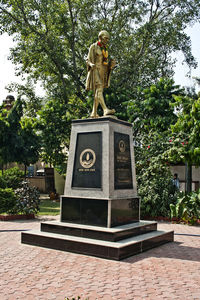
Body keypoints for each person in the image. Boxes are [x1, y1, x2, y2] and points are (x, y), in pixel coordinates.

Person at [86, 30, 116, 118]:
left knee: (99, 92)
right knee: (99, 89)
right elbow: (88, 60)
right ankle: (105, 109)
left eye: (108, 39)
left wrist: (111, 65)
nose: (107, 40)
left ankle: (93, 112)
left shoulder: (105, 49)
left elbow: (105, 62)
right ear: (100, 38)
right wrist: (91, 65)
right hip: (95, 70)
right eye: (105, 38)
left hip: (103, 71)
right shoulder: (94, 47)